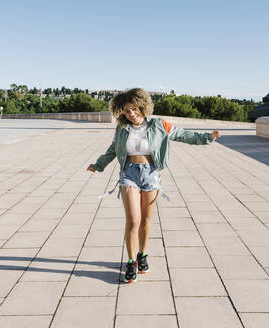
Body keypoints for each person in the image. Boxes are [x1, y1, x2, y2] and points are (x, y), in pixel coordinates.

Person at [87, 88, 220, 283]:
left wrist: (208, 137)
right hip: (129, 173)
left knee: (146, 220)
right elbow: (112, 150)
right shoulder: (122, 128)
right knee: (133, 220)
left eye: (134, 109)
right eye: (127, 111)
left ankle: (142, 255)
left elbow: (183, 135)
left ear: (142, 106)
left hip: (151, 174)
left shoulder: (159, 124)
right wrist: (98, 165)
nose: (132, 114)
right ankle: (131, 262)